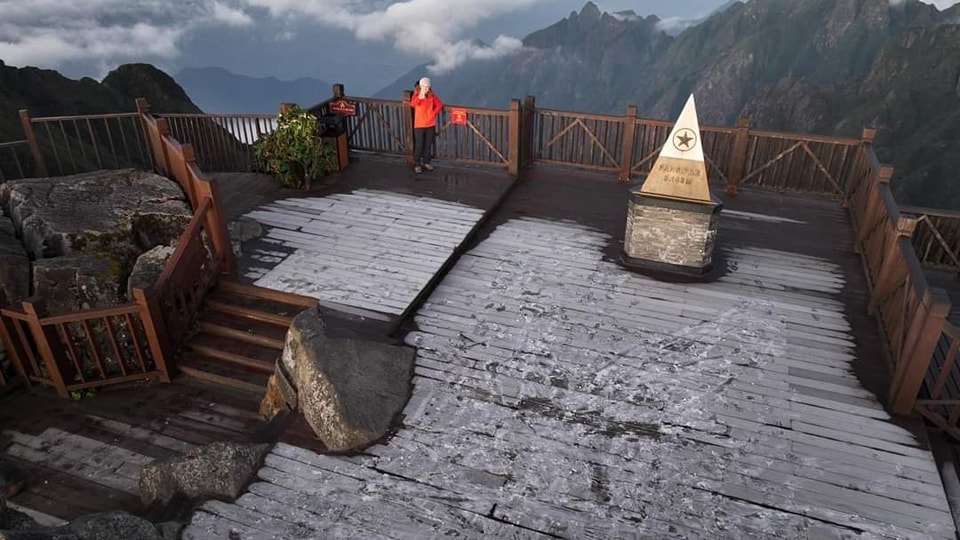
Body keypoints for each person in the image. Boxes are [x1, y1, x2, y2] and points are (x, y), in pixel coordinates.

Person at [409, 77, 443, 173]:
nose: (426, 88)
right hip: (419, 125)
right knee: (419, 145)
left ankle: (426, 162)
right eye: (424, 86)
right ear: (420, 86)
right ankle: (417, 164)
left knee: (428, 145)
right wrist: (421, 95)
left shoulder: (432, 95)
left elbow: (440, 104)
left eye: (428, 86)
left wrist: (433, 113)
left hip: (430, 124)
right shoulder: (417, 94)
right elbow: (412, 104)